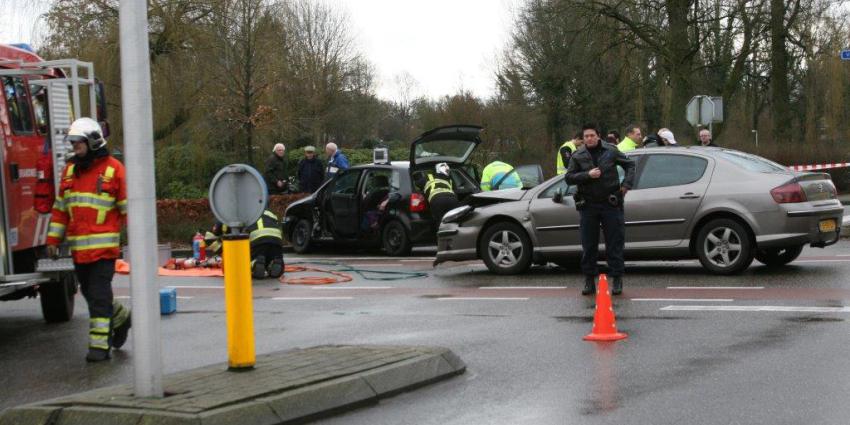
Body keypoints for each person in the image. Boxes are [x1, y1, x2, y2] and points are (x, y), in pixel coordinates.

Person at [46, 117, 131, 362]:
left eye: (79, 142)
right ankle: (121, 317)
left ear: (93, 141)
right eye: (73, 142)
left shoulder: (114, 170)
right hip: (79, 252)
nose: (75, 146)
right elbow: (60, 209)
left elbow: (128, 210)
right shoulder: (69, 172)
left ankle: (99, 347)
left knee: (98, 298)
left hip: (104, 252)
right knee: (92, 295)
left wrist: (137, 242)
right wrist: (53, 240)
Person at [564, 124, 635, 296]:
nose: (589, 138)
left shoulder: (611, 150)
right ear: (583, 138)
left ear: (598, 136)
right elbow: (569, 178)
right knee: (589, 244)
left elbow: (630, 165)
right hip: (588, 205)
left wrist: (625, 186)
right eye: (586, 136)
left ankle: (617, 279)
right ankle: (589, 280)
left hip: (611, 203)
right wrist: (587, 175)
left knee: (615, 243)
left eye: (592, 135)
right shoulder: (578, 155)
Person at [208, 209, 285, 279]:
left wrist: (222, 252)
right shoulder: (269, 213)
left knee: (245, 264)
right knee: (271, 256)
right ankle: (274, 261)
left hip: (257, 240)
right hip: (276, 240)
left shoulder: (234, 216)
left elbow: (210, 238)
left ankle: (254, 263)